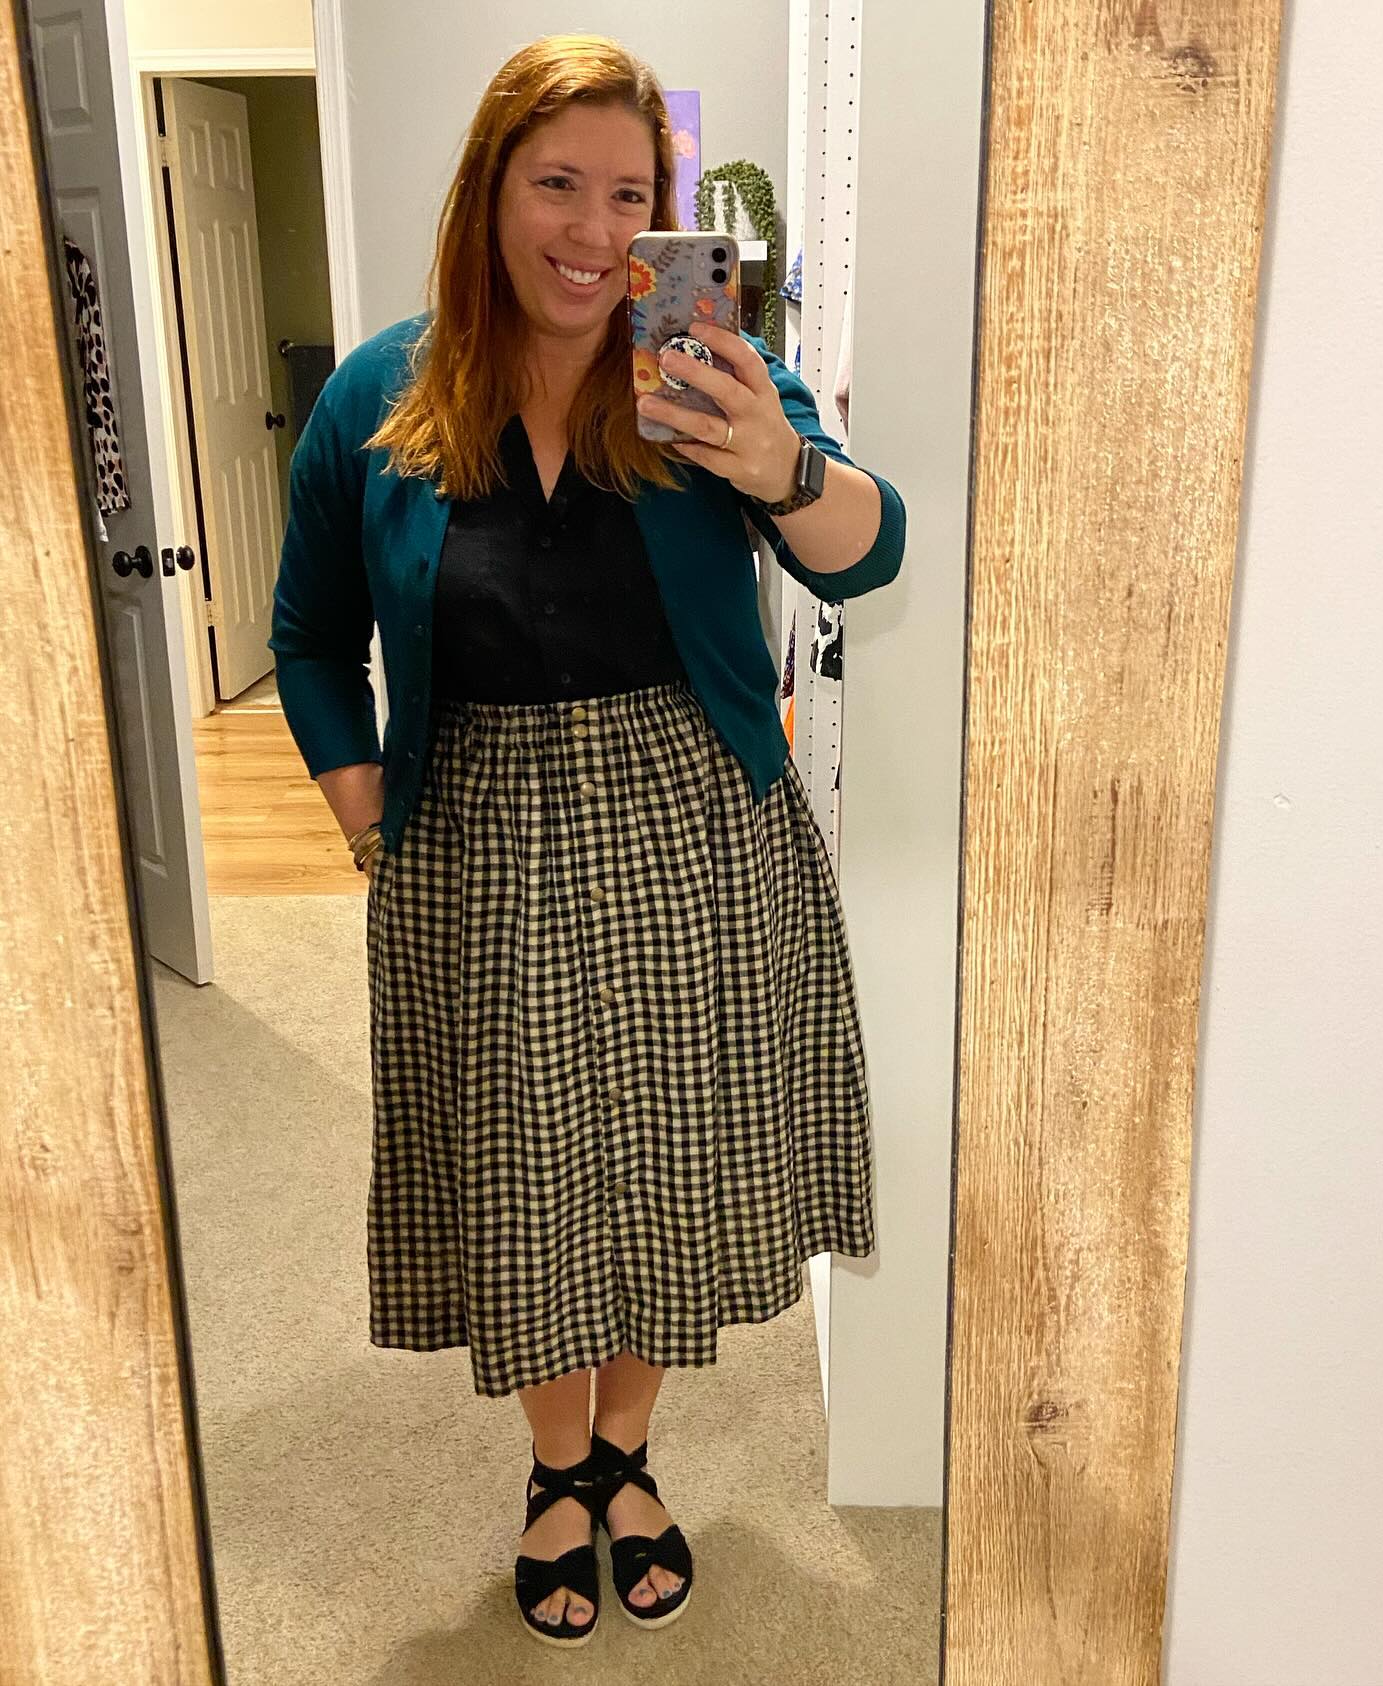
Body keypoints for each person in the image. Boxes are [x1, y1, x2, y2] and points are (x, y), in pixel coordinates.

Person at [269, 33, 906, 1650]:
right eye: (557, 183)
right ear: (488, 190)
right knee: (527, 1171)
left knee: (676, 1166)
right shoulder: (379, 394)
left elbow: (867, 550)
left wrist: (779, 463)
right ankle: (558, 1467)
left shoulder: (705, 365)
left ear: (664, 213)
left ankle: (628, 1451)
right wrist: (368, 820)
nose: (593, 228)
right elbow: (309, 636)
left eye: (631, 194)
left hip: (693, 830)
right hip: (478, 842)